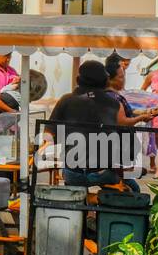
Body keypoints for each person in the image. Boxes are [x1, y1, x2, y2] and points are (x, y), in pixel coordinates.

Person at [44, 60, 136, 192]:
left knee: (73, 187)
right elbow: (126, 135)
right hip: (104, 172)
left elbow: (48, 135)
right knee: (133, 188)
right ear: (106, 81)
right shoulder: (114, 104)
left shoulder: (66, 100)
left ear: (78, 80)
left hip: (73, 171)